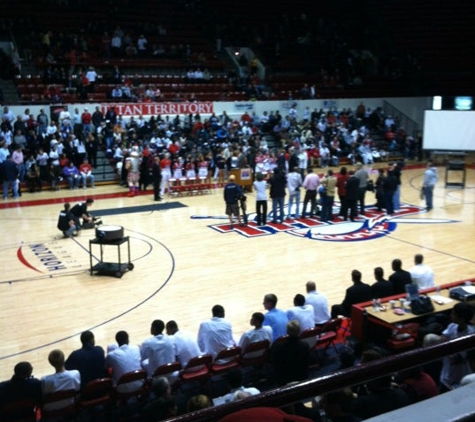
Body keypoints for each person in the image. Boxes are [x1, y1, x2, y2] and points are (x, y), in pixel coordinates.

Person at [271, 320, 311, 386]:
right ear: (299, 331)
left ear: (287, 331)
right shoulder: (304, 345)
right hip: (302, 377)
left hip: (284, 379)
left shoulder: (278, 347)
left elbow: (274, 363)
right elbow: (308, 361)